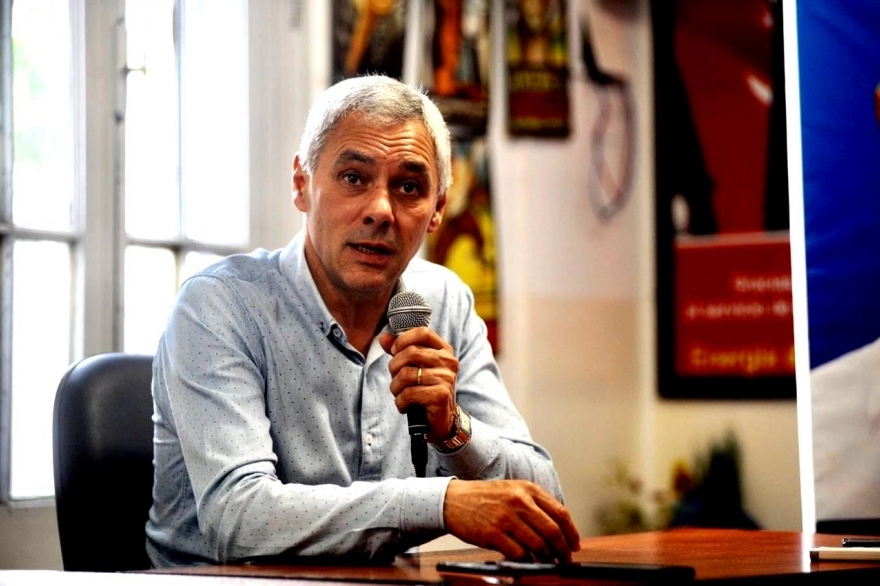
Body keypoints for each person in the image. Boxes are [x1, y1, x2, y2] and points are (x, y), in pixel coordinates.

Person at [145, 74, 580, 568]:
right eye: (354, 178)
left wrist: (453, 431)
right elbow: (239, 519)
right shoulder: (218, 305)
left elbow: (544, 501)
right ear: (302, 184)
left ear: (437, 210)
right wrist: (440, 503)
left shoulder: (443, 302)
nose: (380, 211)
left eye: (409, 187)